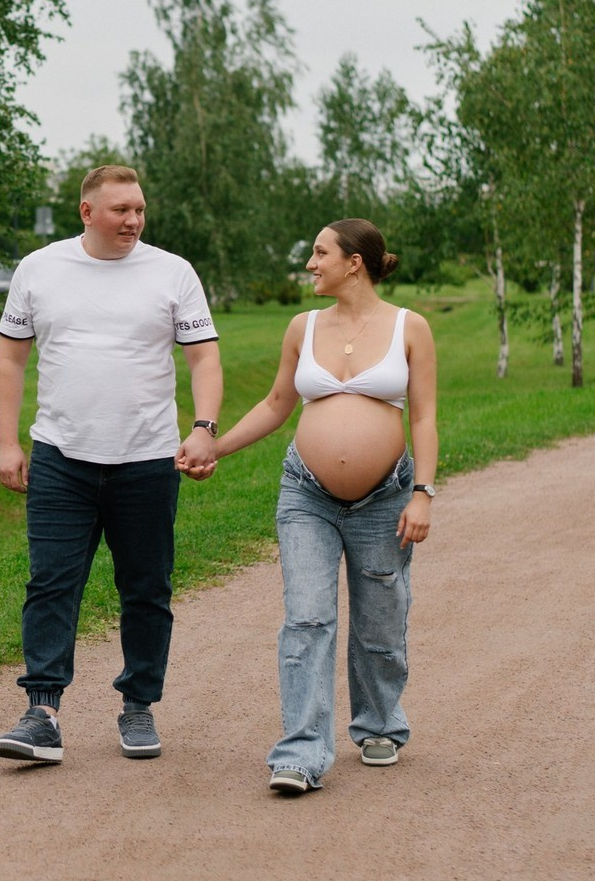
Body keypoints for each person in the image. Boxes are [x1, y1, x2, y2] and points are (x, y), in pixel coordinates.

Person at [181, 218, 437, 794]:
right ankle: (301, 751)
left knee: (380, 620)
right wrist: (214, 445)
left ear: (354, 262)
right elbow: (277, 404)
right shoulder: (303, 326)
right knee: (306, 618)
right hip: (307, 494)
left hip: (385, 498)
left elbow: (423, 416)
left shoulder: (409, 327)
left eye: (320, 253)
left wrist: (423, 493)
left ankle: (379, 724)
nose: (310, 264)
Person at [0, 165, 222, 764]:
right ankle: (42, 713)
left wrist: (204, 428)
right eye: (121, 210)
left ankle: (138, 705)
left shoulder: (173, 272)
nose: (134, 220)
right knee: (51, 583)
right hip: (60, 457)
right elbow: (11, 360)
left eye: (139, 209)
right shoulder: (39, 268)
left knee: (146, 588)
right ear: (87, 211)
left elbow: (203, 357)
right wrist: (8, 444)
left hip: (147, 459)